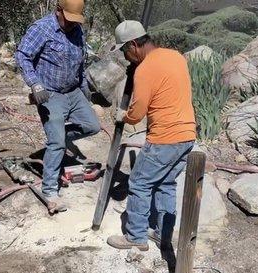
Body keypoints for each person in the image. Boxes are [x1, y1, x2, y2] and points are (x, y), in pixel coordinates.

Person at [106, 21, 197, 251]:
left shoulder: (145, 69)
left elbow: (137, 114)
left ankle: (136, 237)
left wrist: (122, 116)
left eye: (125, 51)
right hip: (187, 134)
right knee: (166, 182)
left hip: (165, 138)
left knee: (139, 182)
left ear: (134, 44)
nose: (127, 57)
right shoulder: (176, 56)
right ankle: (163, 235)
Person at [15, 0, 100, 211]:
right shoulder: (42, 29)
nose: (72, 24)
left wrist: (84, 90)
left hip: (73, 92)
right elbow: (22, 55)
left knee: (92, 126)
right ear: (58, 11)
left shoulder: (78, 30)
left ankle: (57, 138)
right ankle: (50, 190)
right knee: (57, 144)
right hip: (50, 94)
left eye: (75, 20)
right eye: (68, 19)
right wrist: (35, 84)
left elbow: (80, 63)